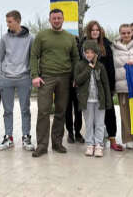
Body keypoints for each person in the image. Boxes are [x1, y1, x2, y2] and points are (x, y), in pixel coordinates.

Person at [30, 8, 80, 157]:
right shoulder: (42, 36)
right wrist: (34, 75)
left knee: (61, 111)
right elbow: (33, 55)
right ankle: (42, 145)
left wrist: (76, 77)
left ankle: (57, 143)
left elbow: (76, 58)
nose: (56, 20)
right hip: (46, 78)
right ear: (50, 19)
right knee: (43, 111)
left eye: (59, 18)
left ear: (63, 19)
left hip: (65, 78)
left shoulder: (70, 37)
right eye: (54, 18)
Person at [0, 10, 35, 151]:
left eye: (10, 21)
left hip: (24, 77)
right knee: (7, 110)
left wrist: (31, 75)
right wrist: (1, 77)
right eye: (7, 21)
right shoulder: (4, 38)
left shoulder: (30, 38)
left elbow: (33, 57)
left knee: (25, 109)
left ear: (18, 21)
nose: (8, 24)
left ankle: (26, 137)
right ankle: (8, 137)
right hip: (6, 78)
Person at [82, 21, 123, 151]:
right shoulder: (82, 44)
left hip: (104, 85)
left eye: (97, 30)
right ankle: (94, 141)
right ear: (89, 31)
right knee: (92, 116)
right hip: (89, 87)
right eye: (92, 30)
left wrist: (111, 86)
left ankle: (112, 139)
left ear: (100, 31)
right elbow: (79, 64)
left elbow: (111, 66)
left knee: (109, 113)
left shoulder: (106, 44)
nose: (95, 32)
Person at [75, 40, 112, 157]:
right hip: (87, 101)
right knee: (89, 123)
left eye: (92, 52)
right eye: (87, 52)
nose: (89, 54)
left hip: (99, 100)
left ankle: (99, 145)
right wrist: (88, 69)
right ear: (83, 53)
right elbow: (78, 80)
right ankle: (90, 144)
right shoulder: (80, 65)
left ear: (96, 53)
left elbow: (106, 84)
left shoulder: (100, 66)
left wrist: (108, 100)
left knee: (100, 123)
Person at [65, 36, 85, 144]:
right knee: (67, 110)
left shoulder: (81, 54)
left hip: (78, 85)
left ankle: (77, 132)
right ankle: (70, 133)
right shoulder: (64, 53)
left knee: (78, 110)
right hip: (66, 85)